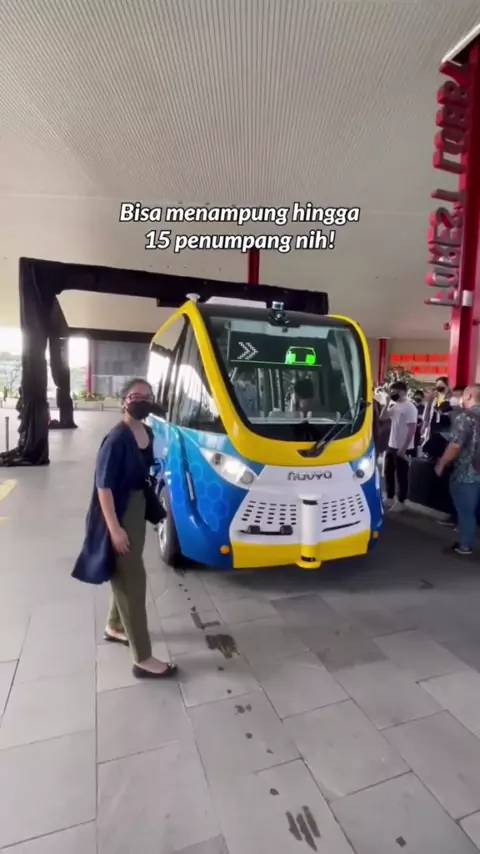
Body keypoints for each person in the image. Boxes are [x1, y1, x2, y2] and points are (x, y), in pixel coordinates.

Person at [73, 378, 177, 679]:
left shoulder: (147, 432)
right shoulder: (116, 439)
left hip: (136, 509)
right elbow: (103, 488)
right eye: (135, 396)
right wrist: (115, 530)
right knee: (132, 582)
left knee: (127, 570)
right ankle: (142, 658)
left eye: (147, 396)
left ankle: (115, 626)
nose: (142, 401)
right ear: (124, 401)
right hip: (116, 514)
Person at [435, 384, 480, 555]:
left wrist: (442, 462)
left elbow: (455, 445)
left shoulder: (466, 417)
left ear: (469, 396)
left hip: (467, 473)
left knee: (466, 511)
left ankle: (465, 546)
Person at [380, 380, 418, 511]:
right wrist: (386, 404)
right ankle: (390, 497)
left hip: (404, 447)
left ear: (402, 392)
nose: (392, 394)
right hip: (392, 445)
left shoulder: (410, 408)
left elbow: (412, 429)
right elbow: (382, 417)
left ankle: (401, 501)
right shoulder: (395, 405)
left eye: (394, 391)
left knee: (402, 475)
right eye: (391, 392)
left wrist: (404, 448)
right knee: (388, 472)